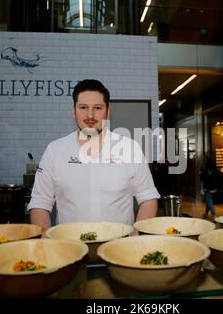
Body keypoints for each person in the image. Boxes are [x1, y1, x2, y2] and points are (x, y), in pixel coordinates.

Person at [28, 79, 160, 229]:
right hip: (71, 248)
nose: (90, 115)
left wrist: (135, 236)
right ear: (73, 111)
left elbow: (148, 198)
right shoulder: (55, 150)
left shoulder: (130, 148)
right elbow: (40, 203)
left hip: (118, 247)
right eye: (83, 107)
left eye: (97, 108)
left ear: (108, 112)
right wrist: (47, 240)